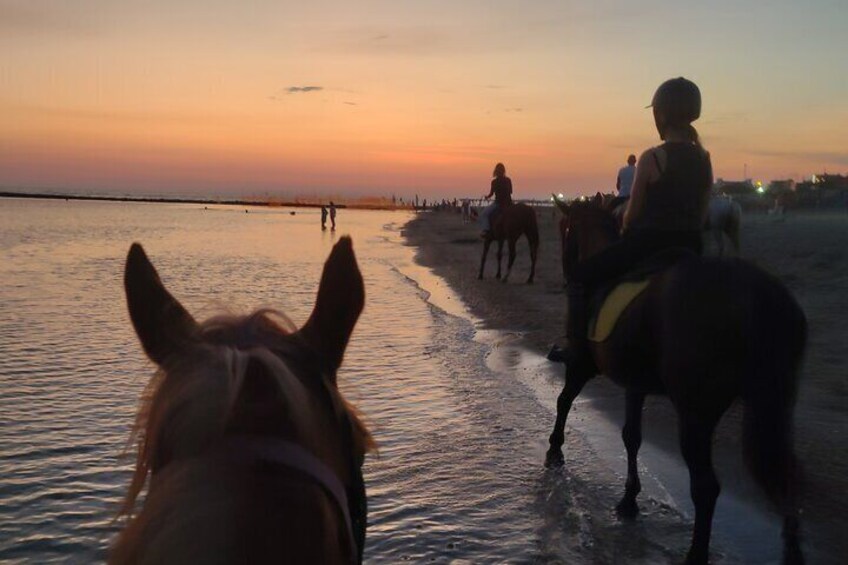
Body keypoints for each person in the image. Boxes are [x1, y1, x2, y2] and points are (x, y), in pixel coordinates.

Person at [562, 77, 713, 366]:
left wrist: (626, 225)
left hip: (649, 245)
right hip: (692, 246)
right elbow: (703, 213)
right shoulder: (704, 157)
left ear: (661, 115)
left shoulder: (653, 157)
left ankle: (577, 350)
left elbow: (632, 214)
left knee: (581, 276)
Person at [479, 162, 513, 237]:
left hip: (498, 203)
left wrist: (487, 197)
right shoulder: (508, 180)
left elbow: (491, 194)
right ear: (504, 170)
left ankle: (486, 230)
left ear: (496, 171)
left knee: (484, 214)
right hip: (509, 203)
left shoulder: (494, 182)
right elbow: (511, 192)